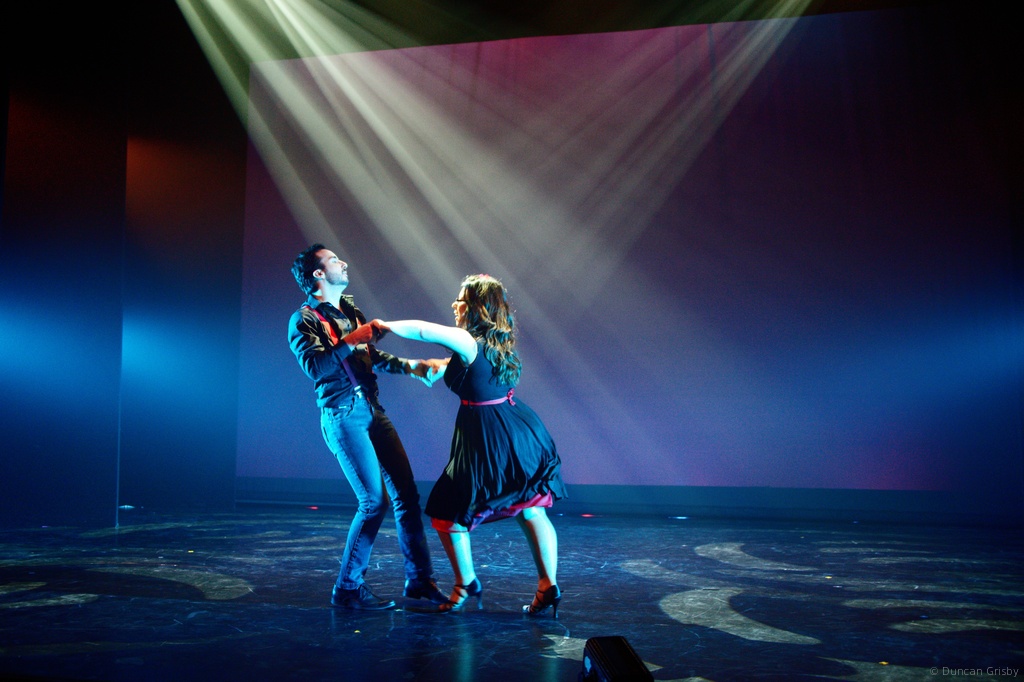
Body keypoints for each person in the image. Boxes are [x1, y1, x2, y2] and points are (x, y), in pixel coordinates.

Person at [375, 274, 568, 617]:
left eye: (462, 300)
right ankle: (548, 585)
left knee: (446, 512)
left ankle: (466, 583)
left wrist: (383, 326)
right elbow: (466, 373)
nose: (455, 305)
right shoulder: (498, 341)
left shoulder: (467, 340)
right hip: (520, 430)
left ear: (478, 307)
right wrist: (427, 368)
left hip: (489, 436)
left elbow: (423, 331)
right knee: (531, 508)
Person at [288, 243, 448, 610]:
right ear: (318, 273)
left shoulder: (350, 310)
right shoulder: (304, 320)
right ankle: (347, 588)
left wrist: (413, 367)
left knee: (406, 495)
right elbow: (316, 368)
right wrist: (351, 340)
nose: (343, 262)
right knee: (373, 502)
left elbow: (369, 355)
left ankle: (419, 580)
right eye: (334, 260)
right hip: (343, 414)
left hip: (372, 408)